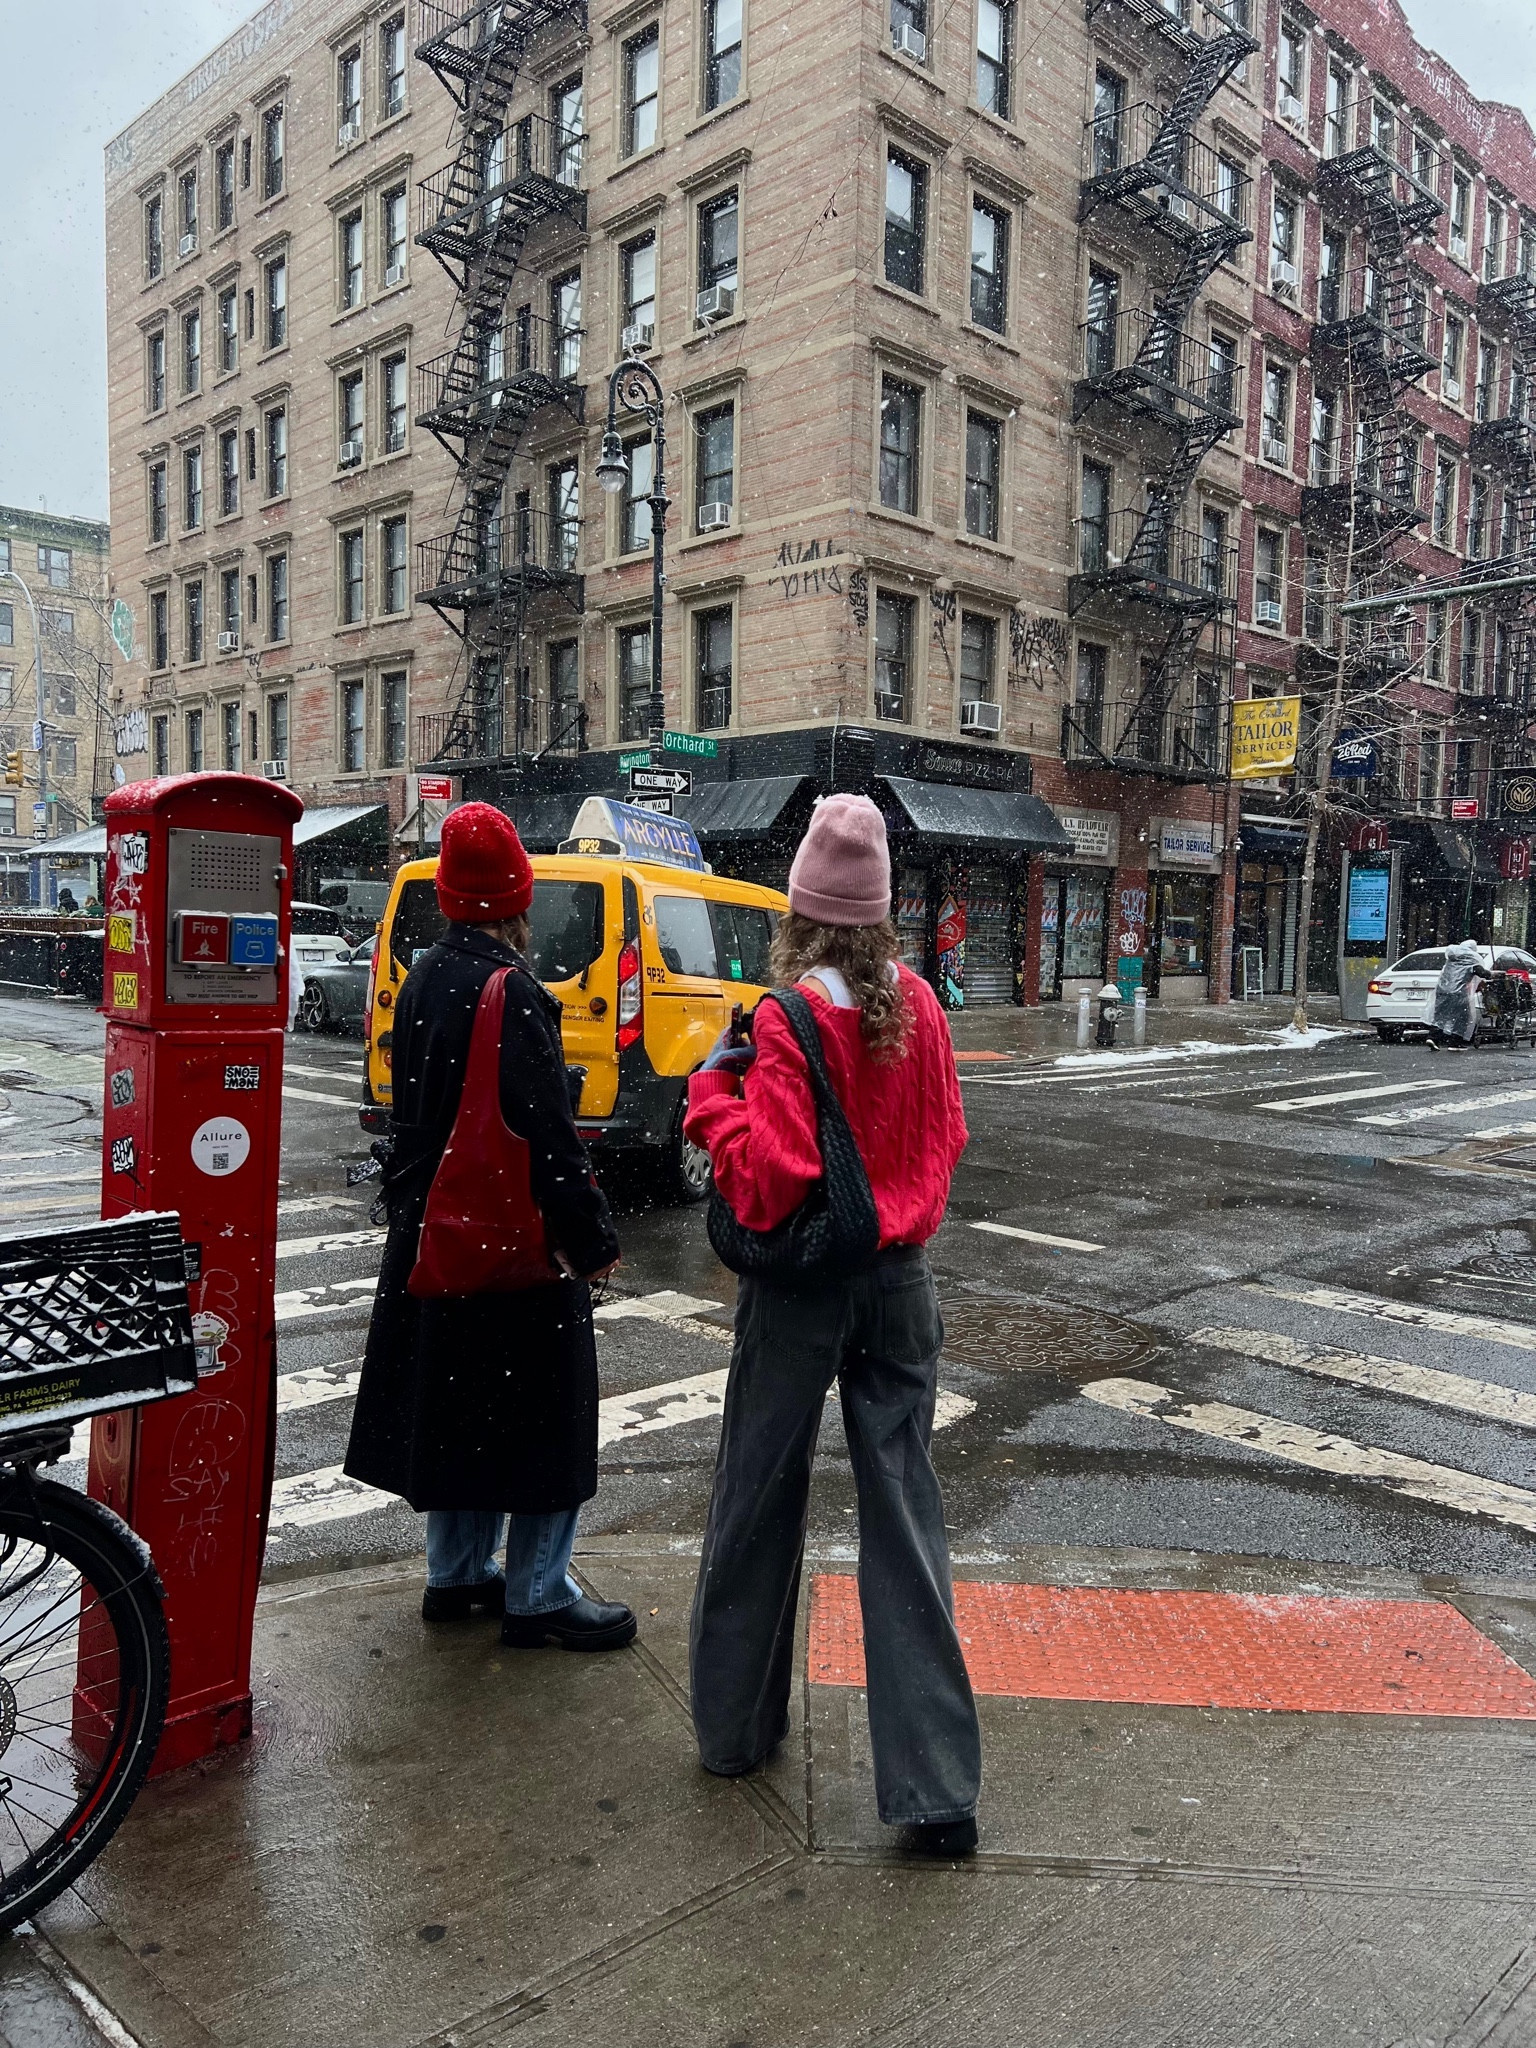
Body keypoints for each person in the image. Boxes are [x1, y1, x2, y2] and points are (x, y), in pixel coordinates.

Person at [684, 794, 982, 1857]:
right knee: (906, 1523)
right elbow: (946, 1142)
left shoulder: (786, 1017)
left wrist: (706, 1101)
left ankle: (733, 1729)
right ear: (884, 911)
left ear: (801, 911)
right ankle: (936, 1785)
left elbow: (768, 1187)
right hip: (902, 1284)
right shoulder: (927, 1009)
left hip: (803, 1292)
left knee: (757, 1502)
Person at [343, 803, 635, 1651]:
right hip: (510, 1248)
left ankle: (458, 1575)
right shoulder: (513, 991)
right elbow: (548, 1142)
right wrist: (590, 1241)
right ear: (518, 901)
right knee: (548, 1419)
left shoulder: (427, 974)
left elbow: (414, 1114)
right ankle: (539, 1593)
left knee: (457, 1415)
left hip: (436, 1241)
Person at [1430, 939, 1490, 1050]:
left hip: (1442, 990)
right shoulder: (1471, 961)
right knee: (1462, 1016)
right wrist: (1490, 974)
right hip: (1458, 992)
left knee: (1440, 1015)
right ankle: (1455, 1042)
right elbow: (1482, 973)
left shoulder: (1452, 959)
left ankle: (1433, 1038)